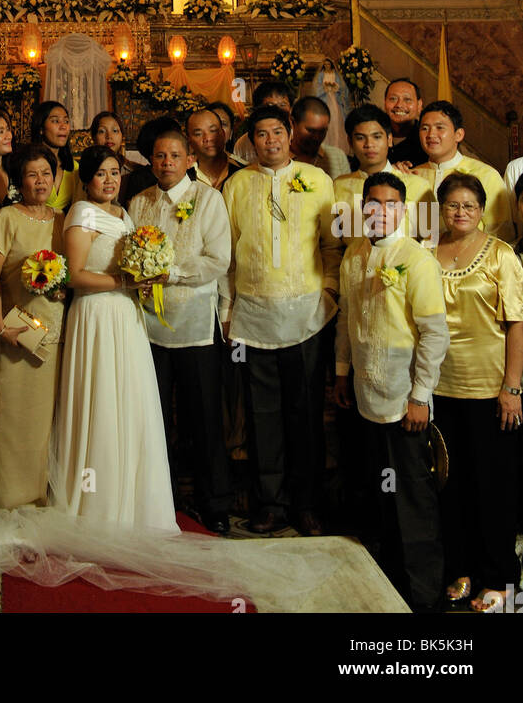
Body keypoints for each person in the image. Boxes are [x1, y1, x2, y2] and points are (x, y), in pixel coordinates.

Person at [222, 106, 339, 536]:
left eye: (277, 132)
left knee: (305, 413)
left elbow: (332, 245)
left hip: (307, 314)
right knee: (261, 414)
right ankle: (270, 503)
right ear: (250, 140)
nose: (270, 141)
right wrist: (227, 310)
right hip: (252, 316)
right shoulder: (236, 186)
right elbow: (227, 255)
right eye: (261, 134)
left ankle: (307, 504)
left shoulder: (319, 181)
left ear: (290, 135)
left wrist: (328, 294)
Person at [334, 173, 449, 614]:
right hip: (365, 395)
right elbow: (346, 320)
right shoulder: (354, 256)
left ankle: (424, 599)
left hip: (406, 400)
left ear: (402, 211)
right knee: (378, 495)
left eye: (389, 204)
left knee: (413, 502)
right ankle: (386, 587)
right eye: (372, 203)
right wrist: (342, 373)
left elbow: (435, 334)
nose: (380, 211)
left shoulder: (416, 259)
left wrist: (421, 396)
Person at [52, 146, 176, 528]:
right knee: (101, 397)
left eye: (115, 172)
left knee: (131, 398)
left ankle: (138, 501)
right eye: (101, 173)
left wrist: (147, 277)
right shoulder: (82, 213)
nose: (110, 180)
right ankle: (96, 502)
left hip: (126, 315)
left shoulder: (123, 215)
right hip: (96, 313)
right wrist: (125, 280)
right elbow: (74, 275)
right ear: (87, 179)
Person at [129, 128, 232, 534]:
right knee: (154, 419)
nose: (166, 162)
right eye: (158, 156)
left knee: (204, 418)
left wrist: (172, 273)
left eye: (174, 155)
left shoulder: (208, 200)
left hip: (195, 325)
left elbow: (218, 260)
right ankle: (161, 499)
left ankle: (215, 503)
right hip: (148, 328)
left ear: (189, 158)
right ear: (150, 161)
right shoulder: (139, 203)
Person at [431, 172, 523, 612]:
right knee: (453, 486)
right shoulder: (429, 254)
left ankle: (501, 578)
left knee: (494, 487)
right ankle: (461, 568)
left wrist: (512, 386)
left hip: (491, 389)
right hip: (441, 388)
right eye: (452, 206)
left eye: (469, 205)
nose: (460, 212)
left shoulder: (501, 255)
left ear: (482, 209)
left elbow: (516, 324)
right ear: (441, 210)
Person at [0, 144, 66, 512]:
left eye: (46, 174)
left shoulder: (64, 219)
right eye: (32, 175)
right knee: (18, 421)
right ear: (20, 180)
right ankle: (12, 501)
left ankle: (50, 498)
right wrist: (0, 328)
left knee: (55, 422)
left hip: (61, 333)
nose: (40, 181)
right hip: (18, 335)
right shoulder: (7, 218)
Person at [414, 99, 513, 242]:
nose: (431, 134)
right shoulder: (412, 175)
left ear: (458, 134)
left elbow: (501, 232)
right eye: (424, 128)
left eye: (440, 127)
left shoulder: (485, 174)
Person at [334, 105, 434, 246]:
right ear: (350, 142)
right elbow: (333, 244)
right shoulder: (339, 186)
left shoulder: (418, 185)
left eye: (376, 137)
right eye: (360, 138)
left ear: (389, 139)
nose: (369, 144)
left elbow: (432, 241)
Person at [122, 114, 192, 205]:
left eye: (175, 155)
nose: (168, 162)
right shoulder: (139, 182)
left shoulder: (189, 175)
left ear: (188, 161)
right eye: (160, 155)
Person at [30, 100, 77, 212]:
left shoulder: (74, 167)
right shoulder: (28, 163)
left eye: (66, 121)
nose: (63, 126)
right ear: (41, 129)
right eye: (55, 121)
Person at [290, 96, 351, 180]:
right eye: (311, 130)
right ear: (293, 123)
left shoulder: (337, 157)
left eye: (322, 131)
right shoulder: (279, 157)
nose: (316, 137)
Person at [233, 80, 293, 164]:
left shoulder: (299, 138)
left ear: (290, 109)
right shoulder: (242, 144)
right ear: (257, 108)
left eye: (282, 105)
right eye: (269, 105)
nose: (276, 110)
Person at [186, 107, 244, 191]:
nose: (208, 138)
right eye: (198, 134)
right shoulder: (183, 174)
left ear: (223, 134)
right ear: (189, 140)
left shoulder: (243, 169)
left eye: (213, 131)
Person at [385, 78, 427, 169]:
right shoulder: (374, 136)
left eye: (407, 99)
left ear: (419, 105)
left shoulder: (426, 139)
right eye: (393, 99)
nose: (399, 105)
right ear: (384, 103)